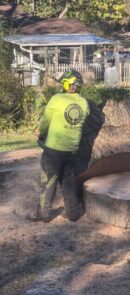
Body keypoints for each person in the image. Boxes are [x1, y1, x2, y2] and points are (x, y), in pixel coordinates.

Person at [26, 69, 90, 222]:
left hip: (53, 149)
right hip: (72, 150)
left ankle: (43, 213)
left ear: (67, 84)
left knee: (49, 180)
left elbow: (45, 122)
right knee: (67, 180)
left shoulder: (56, 99)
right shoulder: (84, 104)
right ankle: (72, 212)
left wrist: (41, 135)